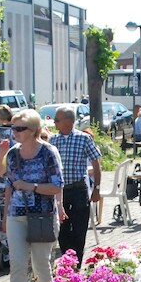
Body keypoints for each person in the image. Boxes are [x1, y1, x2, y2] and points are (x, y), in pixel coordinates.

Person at [4, 109, 65, 282]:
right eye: (13, 128)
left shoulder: (48, 152)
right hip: (16, 215)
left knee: (40, 264)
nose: (15, 133)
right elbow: (9, 185)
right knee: (17, 263)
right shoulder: (13, 153)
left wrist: (32, 186)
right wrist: (6, 215)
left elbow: (57, 186)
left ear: (32, 130)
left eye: (19, 129)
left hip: (42, 215)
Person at [49, 105, 102, 265]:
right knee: (62, 229)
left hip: (78, 188)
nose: (55, 123)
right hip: (60, 192)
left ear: (68, 121)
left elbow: (96, 162)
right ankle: (67, 260)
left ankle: (77, 262)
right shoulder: (53, 140)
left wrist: (96, 188)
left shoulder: (83, 138)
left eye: (57, 120)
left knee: (80, 228)